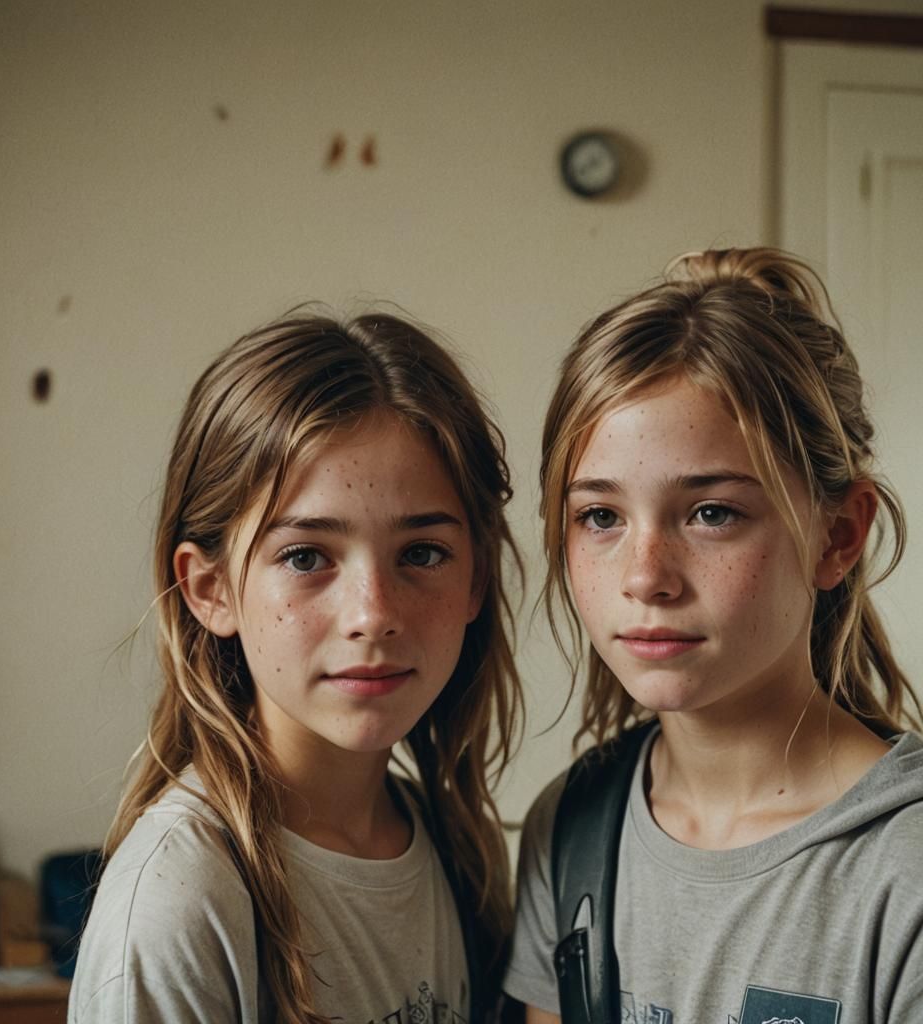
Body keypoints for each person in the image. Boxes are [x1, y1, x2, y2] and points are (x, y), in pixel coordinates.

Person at [69, 310, 524, 1024]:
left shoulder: (456, 850)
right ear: (210, 590)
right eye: (306, 556)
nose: (373, 613)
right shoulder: (176, 905)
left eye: (422, 553)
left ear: (476, 579)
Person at [504, 248, 923, 1023]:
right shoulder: (569, 831)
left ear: (836, 535)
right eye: (600, 516)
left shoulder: (904, 867)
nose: (645, 577)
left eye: (712, 513)